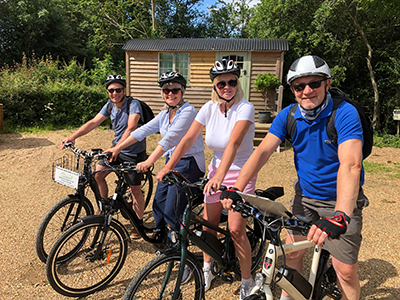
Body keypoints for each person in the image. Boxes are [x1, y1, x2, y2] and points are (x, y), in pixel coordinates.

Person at [221, 55, 369, 300]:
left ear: (327, 84)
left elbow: (351, 164)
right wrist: (236, 188)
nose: (307, 91)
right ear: (292, 89)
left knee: (345, 271)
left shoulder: (344, 113)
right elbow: (263, 151)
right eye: (299, 86)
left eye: (315, 84)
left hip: (340, 202)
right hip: (305, 197)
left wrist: (341, 215)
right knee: (291, 254)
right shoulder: (288, 115)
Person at [156, 59, 257, 300]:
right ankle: (207, 268)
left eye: (232, 81)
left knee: (234, 230)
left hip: (241, 172)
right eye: (221, 83)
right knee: (207, 226)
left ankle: (247, 280)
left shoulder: (245, 107)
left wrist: (220, 176)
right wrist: (167, 167)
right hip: (216, 171)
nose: (227, 86)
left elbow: (234, 141)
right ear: (214, 85)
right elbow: (187, 140)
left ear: (237, 83)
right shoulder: (209, 108)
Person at [105, 71, 205, 237]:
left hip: (189, 163)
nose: (170, 93)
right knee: (158, 203)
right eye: (166, 90)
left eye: (175, 90)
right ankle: (161, 236)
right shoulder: (165, 113)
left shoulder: (188, 112)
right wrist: (118, 148)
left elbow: (170, 139)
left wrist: (149, 161)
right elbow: (142, 131)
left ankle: (178, 248)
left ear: (182, 92)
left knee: (171, 209)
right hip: (171, 161)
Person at [62, 74, 147, 238]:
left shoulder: (133, 104)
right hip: (115, 149)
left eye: (118, 90)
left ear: (124, 90)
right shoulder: (110, 105)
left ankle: (139, 222)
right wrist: (73, 137)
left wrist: (118, 148)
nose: (114, 93)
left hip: (132, 152)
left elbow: (131, 128)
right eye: (111, 90)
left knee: (135, 189)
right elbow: (93, 122)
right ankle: (103, 207)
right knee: (96, 174)